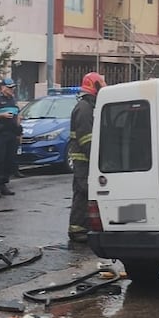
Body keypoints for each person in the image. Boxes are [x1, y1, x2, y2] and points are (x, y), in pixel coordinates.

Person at [68, 71, 107, 242]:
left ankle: (82, 227)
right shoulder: (84, 108)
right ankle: (77, 231)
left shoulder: (88, 106)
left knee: (84, 192)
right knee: (83, 193)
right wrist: (97, 158)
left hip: (84, 159)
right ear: (95, 86)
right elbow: (86, 138)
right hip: (83, 159)